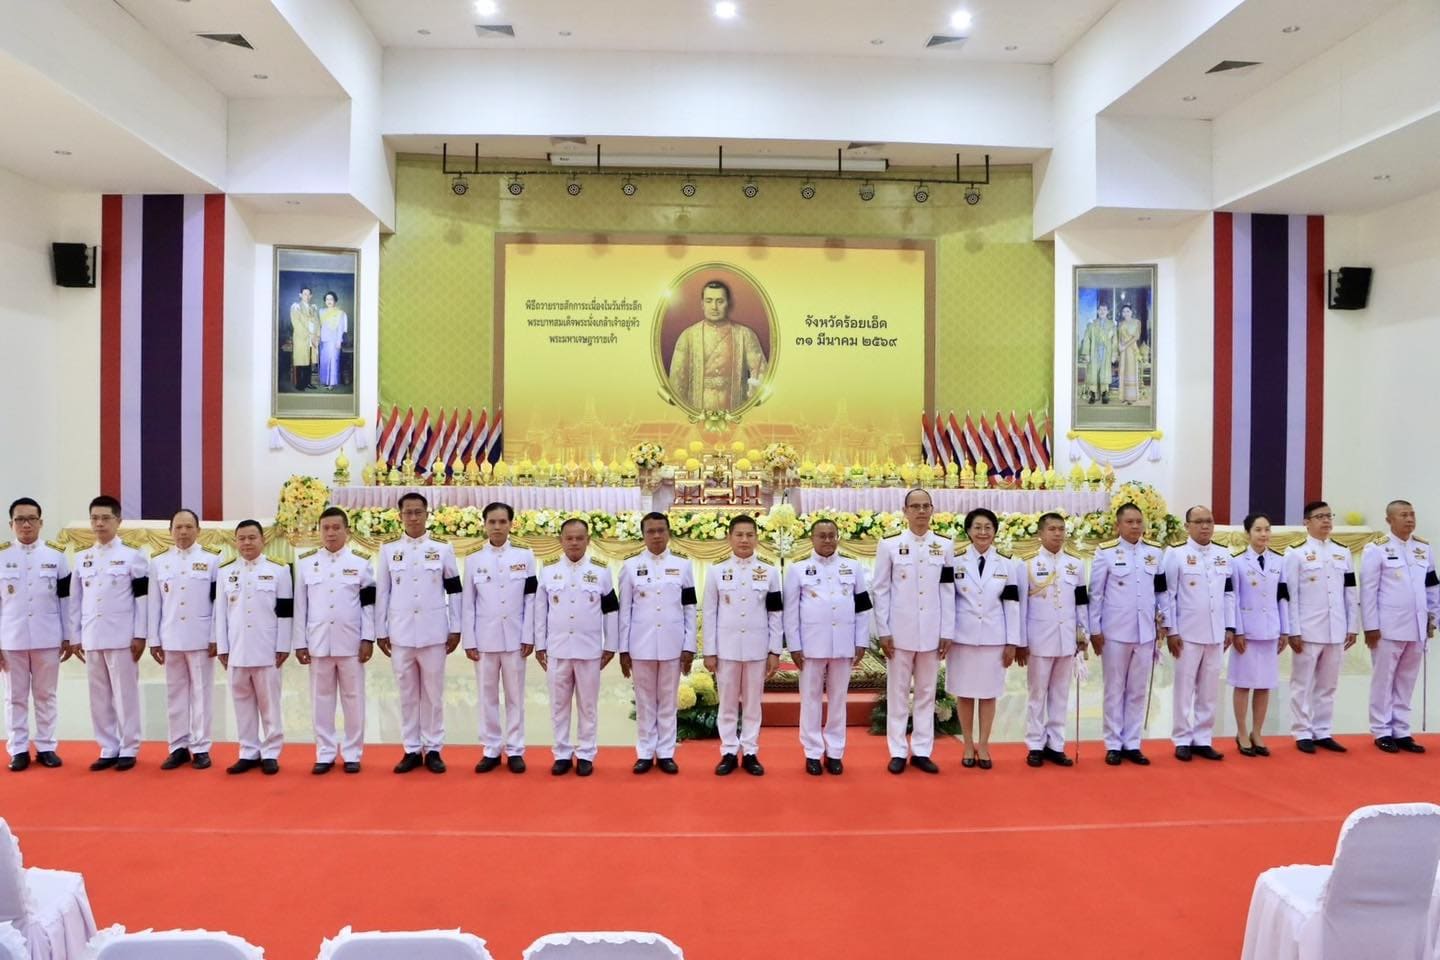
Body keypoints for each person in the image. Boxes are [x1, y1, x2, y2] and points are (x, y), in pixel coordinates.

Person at [376, 492, 462, 774]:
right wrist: (380, 630)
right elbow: (383, 592)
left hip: (434, 633)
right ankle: (411, 749)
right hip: (401, 634)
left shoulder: (442, 548)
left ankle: (433, 748)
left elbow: (454, 590)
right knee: (407, 693)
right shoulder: (389, 549)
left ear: (427, 514)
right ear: (400, 516)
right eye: (408, 512)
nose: (413, 517)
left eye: (418, 512)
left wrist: (456, 627)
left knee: (433, 694)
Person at [872, 488, 955, 774]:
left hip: (932, 631)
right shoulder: (890, 545)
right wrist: (884, 630)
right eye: (915, 506)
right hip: (900, 632)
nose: (921, 511)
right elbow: (881, 590)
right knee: (897, 693)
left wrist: (947, 630)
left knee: (926, 692)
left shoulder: (944, 545)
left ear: (932, 510)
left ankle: (921, 750)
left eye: (925, 506)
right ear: (905, 511)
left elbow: (948, 590)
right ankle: (897, 750)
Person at [784, 518, 870, 776]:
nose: (827, 540)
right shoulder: (798, 569)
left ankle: (835, 751)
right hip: (811, 645)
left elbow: (862, 607)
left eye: (832, 535)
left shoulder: (853, 567)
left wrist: (861, 640)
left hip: (843, 643)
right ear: (812, 539)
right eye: (822, 536)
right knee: (810, 700)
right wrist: (794, 645)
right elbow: (790, 612)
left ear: (838, 537)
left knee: (838, 699)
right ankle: (812, 752)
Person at [293, 506, 375, 774]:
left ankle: (352, 753)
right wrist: (300, 642)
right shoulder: (306, 562)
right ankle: (325, 752)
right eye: (326, 528)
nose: (331, 533)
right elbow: (300, 607)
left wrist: (368, 637)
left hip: (350, 642)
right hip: (318, 642)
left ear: (347, 531)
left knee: (353, 698)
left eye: (336, 527)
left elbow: (368, 605)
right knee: (321, 699)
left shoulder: (360, 562)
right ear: (319, 531)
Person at [70, 495, 148, 771]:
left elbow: (141, 600)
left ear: (118, 521)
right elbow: (76, 601)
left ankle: (129, 746)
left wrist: (140, 634)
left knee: (125, 694)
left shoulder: (132, 555)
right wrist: (75, 636)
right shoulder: (82, 558)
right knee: (99, 695)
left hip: (122, 637)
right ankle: (108, 746)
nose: (99, 523)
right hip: (92, 635)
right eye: (95, 518)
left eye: (105, 518)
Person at [535, 518, 618, 776]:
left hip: (589, 650)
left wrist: (610, 645)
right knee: (558, 705)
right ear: (560, 540)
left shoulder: (601, 570)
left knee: (588, 705)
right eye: (569, 538)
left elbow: (611, 610)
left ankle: (586, 753)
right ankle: (561, 753)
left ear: (588, 540)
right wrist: (540, 645)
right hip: (557, 649)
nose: (574, 543)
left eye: (579, 538)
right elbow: (540, 610)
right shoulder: (548, 570)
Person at [702, 514, 782, 776]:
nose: (744, 540)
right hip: (726, 648)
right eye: (739, 535)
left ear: (757, 538)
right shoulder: (716, 571)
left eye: (749, 535)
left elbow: (775, 613)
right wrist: (709, 651)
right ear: (730, 538)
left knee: (752, 703)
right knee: (726, 702)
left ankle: (750, 751)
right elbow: (709, 613)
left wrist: (774, 650)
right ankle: (728, 751)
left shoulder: (770, 571)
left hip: (757, 648)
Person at [461, 501, 537, 774]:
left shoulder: (525, 556)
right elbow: (468, 603)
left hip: (516, 638)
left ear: (511, 524)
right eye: (492, 522)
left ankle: (515, 749)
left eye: (502, 521)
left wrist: (529, 635)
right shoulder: (473, 559)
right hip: (485, 638)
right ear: (484, 524)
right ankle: (491, 748)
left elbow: (531, 599)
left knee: (515, 695)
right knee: (487, 696)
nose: (497, 527)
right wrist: (469, 640)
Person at [1089, 502, 1167, 766]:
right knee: (1114, 689)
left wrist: (1164, 621)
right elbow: (1096, 594)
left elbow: (1161, 591)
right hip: (1115, 632)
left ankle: (1132, 743)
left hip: (1145, 632)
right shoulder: (1106, 553)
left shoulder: (1154, 552)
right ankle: (1113, 743)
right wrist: (1095, 629)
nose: (1135, 526)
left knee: (1137, 690)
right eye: (1129, 522)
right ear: (1118, 525)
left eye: (1138, 521)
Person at [618, 512, 696, 775]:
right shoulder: (630, 566)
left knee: (667, 701)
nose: (656, 535)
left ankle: (665, 752)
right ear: (643, 535)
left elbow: (689, 608)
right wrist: (624, 649)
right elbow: (625, 611)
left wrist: (689, 646)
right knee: (644, 702)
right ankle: (644, 752)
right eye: (650, 531)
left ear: (669, 533)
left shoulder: (683, 565)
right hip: (640, 645)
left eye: (661, 530)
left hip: (673, 644)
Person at [1, 498, 74, 771]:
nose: (26, 524)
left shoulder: (56, 555)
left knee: (46, 695)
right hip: (11, 638)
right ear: (11, 524)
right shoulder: (2, 555)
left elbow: (66, 600)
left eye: (31, 519)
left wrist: (68, 636)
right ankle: (18, 749)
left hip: (47, 636)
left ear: (41, 523)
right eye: (20, 519)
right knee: (14, 697)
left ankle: (46, 746)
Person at [214, 519, 292, 774]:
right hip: (236, 648)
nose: (246, 543)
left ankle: (270, 752)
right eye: (242, 538)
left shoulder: (279, 569)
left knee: (270, 704)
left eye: (252, 537)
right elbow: (220, 613)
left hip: (267, 648)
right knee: (242, 703)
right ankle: (248, 751)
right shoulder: (226, 571)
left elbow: (285, 612)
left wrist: (283, 645)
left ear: (262, 540)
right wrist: (223, 647)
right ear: (235, 541)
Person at [1361, 499, 1438, 753]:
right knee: (1384, 680)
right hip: (1387, 627)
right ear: (1389, 520)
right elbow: (1368, 591)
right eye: (1403, 515)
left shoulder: (1423, 548)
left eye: (1412, 514)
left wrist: (1433, 617)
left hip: (1417, 626)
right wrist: (1370, 626)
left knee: (1406, 680)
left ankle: (1402, 730)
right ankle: (1382, 730)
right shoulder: (1377, 548)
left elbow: (1431, 586)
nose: (1409, 519)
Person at [1282, 500, 1357, 754]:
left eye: (1329, 516)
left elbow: (1350, 591)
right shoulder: (1295, 553)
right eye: (1320, 517)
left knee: (1328, 684)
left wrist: (1352, 625)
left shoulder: (1342, 552)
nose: (1326, 521)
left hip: (1336, 628)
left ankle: (1322, 730)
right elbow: (1290, 594)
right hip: (1308, 629)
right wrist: (1293, 630)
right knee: (1302, 683)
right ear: (1307, 522)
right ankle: (1302, 731)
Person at [946, 508, 1019, 770]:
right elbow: (947, 601)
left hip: (993, 638)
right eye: (977, 527)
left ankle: (985, 744)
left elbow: (1012, 604)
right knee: (965, 693)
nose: (983, 532)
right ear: (968, 530)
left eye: (988, 527)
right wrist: (945, 634)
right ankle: (967, 744)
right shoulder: (954, 561)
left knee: (989, 694)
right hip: (962, 638)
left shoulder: (1007, 563)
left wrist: (1012, 641)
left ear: (995, 531)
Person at [148, 508, 221, 770]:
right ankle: (178, 746)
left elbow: (218, 603)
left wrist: (215, 636)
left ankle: (200, 747)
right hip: (170, 637)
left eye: (189, 527)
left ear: (198, 530)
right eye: (178, 527)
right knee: (175, 693)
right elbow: (154, 604)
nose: (183, 532)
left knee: (202, 693)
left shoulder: (212, 559)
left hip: (200, 637)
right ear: (170, 531)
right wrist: (154, 639)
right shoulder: (159, 561)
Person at [1163, 505, 1238, 761]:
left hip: (1216, 632)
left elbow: (1229, 593)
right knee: (1184, 688)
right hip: (1187, 633)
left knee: (1209, 689)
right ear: (1187, 526)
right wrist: (1172, 630)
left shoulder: (1223, 554)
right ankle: (1182, 738)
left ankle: (1203, 738)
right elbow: (1168, 595)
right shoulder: (1175, 554)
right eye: (1199, 522)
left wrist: (1230, 626)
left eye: (1209, 521)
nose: (1205, 526)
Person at [1017, 512, 1088, 767]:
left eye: (1061, 529)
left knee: (1060, 694)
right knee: (1037, 694)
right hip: (1038, 638)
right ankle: (1035, 744)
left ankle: (1056, 743)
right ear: (1040, 533)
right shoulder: (1027, 564)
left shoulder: (1075, 564)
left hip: (1066, 638)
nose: (1058, 533)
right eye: (1052, 529)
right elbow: (1021, 606)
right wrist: (1021, 641)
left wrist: (1083, 632)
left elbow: (1081, 601)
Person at [1227, 513, 1289, 758]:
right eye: (1258, 530)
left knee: (1264, 684)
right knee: (1243, 684)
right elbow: (1233, 599)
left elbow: (1283, 596)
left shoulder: (1279, 561)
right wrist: (1237, 630)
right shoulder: (1237, 562)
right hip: (1247, 631)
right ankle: (1242, 732)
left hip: (1270, 629)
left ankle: (1257, 732)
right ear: (1247, 534)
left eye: (1267, 529)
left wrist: (1285, 629)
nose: (1264, 534)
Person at [666, 279, 768, 413]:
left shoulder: (745, 335)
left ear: (728, 304)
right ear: (702, 304)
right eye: (709, 301)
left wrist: (751, 402)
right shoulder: (687, 336)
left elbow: (761, 374)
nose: (714, 307)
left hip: (736, 411)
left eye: (720, 301)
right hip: (697, 411)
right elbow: (677, 382)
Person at [1079, 303, 1117, 405]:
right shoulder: (1092, 324)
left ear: (1107, 311)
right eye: (1100, 309)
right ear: (1097, 311)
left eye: (1104, 309)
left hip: (1106, 352)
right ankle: (1093, 394)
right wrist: (1086, 354)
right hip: (1094, 351)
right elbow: (1087, 339)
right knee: (1093, 373)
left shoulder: (1111, 325)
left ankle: (1105, 394)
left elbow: (1114, 341)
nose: (1102, 311)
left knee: (1105, 373)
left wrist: (1114, 354)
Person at [317, 290, 348, 390]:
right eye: (327, 299)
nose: (329, 301)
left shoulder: (340, 313)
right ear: (325, 301)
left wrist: (339, 341)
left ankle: (331, 383)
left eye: (331, 299)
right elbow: (318, 326)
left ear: (335, 301)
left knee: (333, 362)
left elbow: (340, 329)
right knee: (324, 361)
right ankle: (325, 381)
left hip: (334, 341)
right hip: (324, 341)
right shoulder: (321, 312)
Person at [290, 286, 318, 391]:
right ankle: (300, 384)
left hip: (312, 338)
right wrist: (308, 334)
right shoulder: (296, 307)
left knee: (309, 361)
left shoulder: (313, 308)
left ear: (311, 296)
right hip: (302, 338)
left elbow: (317, 322)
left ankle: (307, 382)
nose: (306, 296)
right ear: (300, 295)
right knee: (301, 361)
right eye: (304, 294)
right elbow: (296, 323)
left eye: (308, 294)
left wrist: (316, 335)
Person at [1116, 303, 1142, 404]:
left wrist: (1124, 346)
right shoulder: (1121, 324)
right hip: (1123, 351)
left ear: (1131, 312)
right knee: (1123, 371)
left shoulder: (1137, 322)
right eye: (1124, 311)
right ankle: (1124, 397)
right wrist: (1119, 346)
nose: (1126, 313)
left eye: (1128, 311)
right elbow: (1119, 337)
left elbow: (1136, 337)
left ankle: (1131, 397)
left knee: (1131, 371)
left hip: (1131, 349)